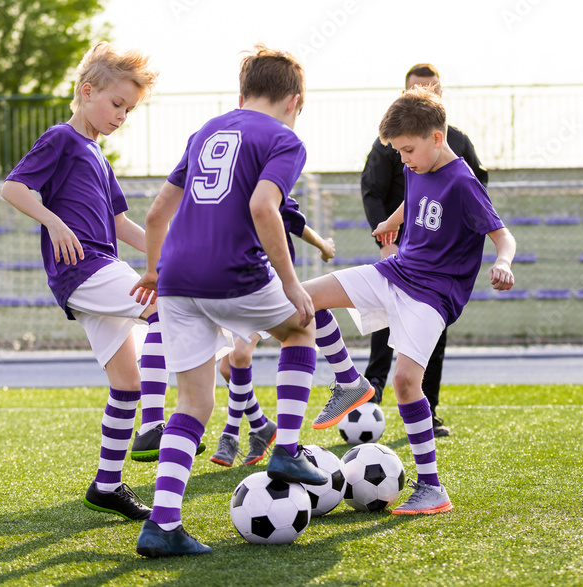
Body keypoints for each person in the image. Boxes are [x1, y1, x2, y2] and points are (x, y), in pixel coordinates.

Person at [130, 46, 345, 557]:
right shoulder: (285, 138)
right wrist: (292, 283)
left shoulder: (206, 131)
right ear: (296, 100)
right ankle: (287, 450)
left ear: (242, 93)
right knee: (300, 328)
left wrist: (155, 271)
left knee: (193, 403)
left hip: (177, 276)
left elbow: (158, 213)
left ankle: (161, 526)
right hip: (231, 269)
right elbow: (262, 206)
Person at [304, 85, 516, 515]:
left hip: (432, 296)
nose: (403, 159)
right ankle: (350, 382)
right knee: (307, 298)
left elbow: (502, 233)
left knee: (404, 383)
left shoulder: (463, 183)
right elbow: (415, 196)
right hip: (395, 271)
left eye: (407, 150)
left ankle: (432, 487)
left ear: (437, 139)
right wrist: (390, 219)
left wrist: (504, 262)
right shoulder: (416, 164)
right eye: (399, 151)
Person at [1, 42, 161, 522]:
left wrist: (165, 252)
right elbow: (13, 187)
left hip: (100, 269)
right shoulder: (61, 138)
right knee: (166, 310)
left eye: (129, 110)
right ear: (87, 91)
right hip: (86, 268)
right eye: (117, 104)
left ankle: (106, 486)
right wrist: (54, 222)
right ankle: (155, 426)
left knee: (127, 385)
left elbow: (122, 226)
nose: (122, 116)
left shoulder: (99, 156)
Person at [360, 63, 489, 437]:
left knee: (431, 330)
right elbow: (373, 192)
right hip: (401, 253)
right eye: (416, 89)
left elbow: (478, 197)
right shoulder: (387, 147)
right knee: (384, 318)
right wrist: (387, 241)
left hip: (440, 264)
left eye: (431, 89)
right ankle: (371, 394)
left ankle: (427, 408)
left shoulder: (459, 144)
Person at [211, 217, 373, 466]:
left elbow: (295, 221)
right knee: (226, 369)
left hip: (265, 287)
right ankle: (261, 425)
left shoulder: (264, 190)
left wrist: (323, 245)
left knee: (241, 354)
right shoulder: (228, 197)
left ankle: (230, 434)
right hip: (233, 288)